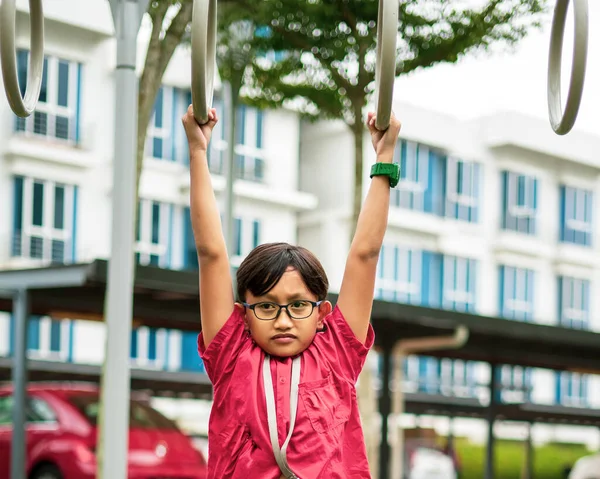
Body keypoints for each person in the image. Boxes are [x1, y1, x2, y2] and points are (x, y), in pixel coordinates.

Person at [181, 104, 402, 479]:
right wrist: (198, 151)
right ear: (243, 314)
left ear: (322, 314)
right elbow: (211, 255)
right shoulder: (232, 353)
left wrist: (385, 157)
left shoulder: (338, 354)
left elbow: (365, 254)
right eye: (266, 307)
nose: (283, 321)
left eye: (298, 305)